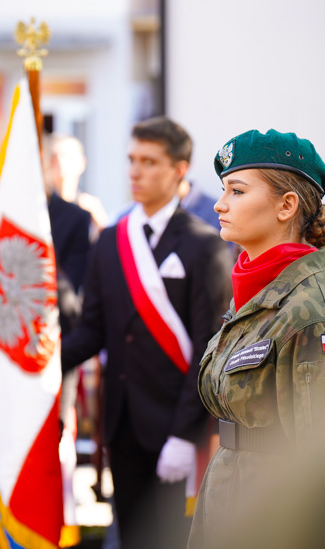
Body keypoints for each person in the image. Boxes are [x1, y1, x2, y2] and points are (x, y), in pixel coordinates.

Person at [187, 129, 325, 548]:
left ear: (287, 205)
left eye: (237, 190)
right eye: (223, 189)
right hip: (229, 493)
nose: (219, 203)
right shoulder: (261, 294)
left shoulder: (312, 313)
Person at [62, 117, 233, 549]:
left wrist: (183, 434)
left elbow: (206, 349)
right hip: (122, 424)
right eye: (131, 160)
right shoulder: (111, 240)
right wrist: (36, 363)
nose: (135, 172)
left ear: (179, 170)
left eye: (149, 162)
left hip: (179, 426)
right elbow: (90, 332)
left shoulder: (204, 244)